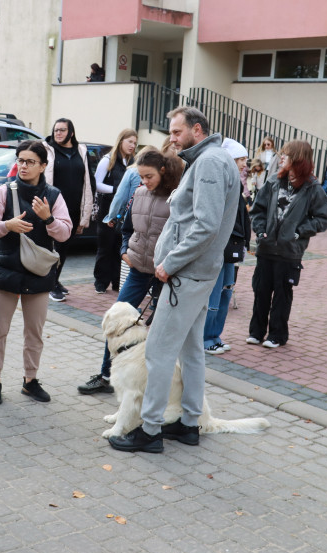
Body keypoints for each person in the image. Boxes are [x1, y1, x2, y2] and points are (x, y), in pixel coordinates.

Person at [108, 106, 238, 453]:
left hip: (185, 275)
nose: (172, 138)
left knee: (158, 350)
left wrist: (170, 263)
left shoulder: (210, 162)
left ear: (197, 129)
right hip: (194, 275)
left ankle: (149, 431)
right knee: (191, 349)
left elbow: (206, 225)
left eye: (177, 132)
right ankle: (189, 423)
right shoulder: (213, 159)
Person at [78, 148, 184, 395]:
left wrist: (170, 266)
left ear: (163, 171)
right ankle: (106, 376)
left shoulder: (178, 198)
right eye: (141, 177)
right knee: (117, 321)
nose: (144, 182)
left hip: (165, 274)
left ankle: (151, 382)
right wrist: (125, 252)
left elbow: (183, 237)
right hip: (138, 270)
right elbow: (125, 229)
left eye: (149, 176)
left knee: (158, 331)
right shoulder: (138, 193)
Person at [0, 140, 73, 405]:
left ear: (43, 166)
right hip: (5, 270)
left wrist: (48, 219)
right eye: (20, 160)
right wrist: (7, 225)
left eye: (30, 161)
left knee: (34, 332)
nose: (23, 166)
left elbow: (65, 233)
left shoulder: (53, 196)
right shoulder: (3, 191)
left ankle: (30, 381)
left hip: (38, 273)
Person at [246, 140, 327, 349]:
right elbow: (257, 210)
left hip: (289, 251)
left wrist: (299, 231)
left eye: (286, 155)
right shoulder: (274, 180)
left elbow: (322, 218)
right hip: (266, 248)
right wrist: (260, 230)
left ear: (298, 159)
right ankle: (256, 332)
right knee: (261, 291)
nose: (281, 158)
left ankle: (277, 335)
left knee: (282, 295)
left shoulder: (312, 187)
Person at [203, 138, 251, 354]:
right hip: (218, 248)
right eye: (241, 159)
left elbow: (241, 217)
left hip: (232, 246)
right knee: (214, 294)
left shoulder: (238, 184)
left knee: (226, 291)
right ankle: (205, 338)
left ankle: (215, 335)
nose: (244, 164)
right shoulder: (221, 183)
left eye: (245, 160)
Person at [42, 118, 93, 302]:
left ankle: (55, 280)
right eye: (56, 130)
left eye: (62, 130)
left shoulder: (81, 151)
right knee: (54, 248)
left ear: (71, 132)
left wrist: (85, 214)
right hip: (54, 209)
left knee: (64, 248)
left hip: (74, 209)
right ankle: (50, 284)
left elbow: (88, 182)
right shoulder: (48, 150)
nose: (58, 133)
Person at [93, 128, 137, 293]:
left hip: (124, 211)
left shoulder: (132, 161)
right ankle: (100, 282)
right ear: (121, 141)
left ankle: (118, 282)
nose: (132, 145)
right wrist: (117, 189)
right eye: (129, 142)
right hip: (107, 209)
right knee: (105, 246)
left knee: (120, 246)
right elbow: (96, 184)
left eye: (134, 142)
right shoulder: (107, 160)